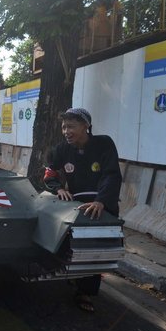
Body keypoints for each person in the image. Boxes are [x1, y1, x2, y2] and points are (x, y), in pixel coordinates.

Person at [44, 107, 122, 313]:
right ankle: (74, 274)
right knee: (72, 246)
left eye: (71, 126)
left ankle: (85, 291)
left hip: (101, 204)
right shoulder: (62, 149)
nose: (66, 131)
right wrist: (58, 188)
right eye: (63, 127)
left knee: (94, 248)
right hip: (76, 205)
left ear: (86, 126)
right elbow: (49, 172)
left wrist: (101, 201)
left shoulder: (104, 143)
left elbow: (111, 175)